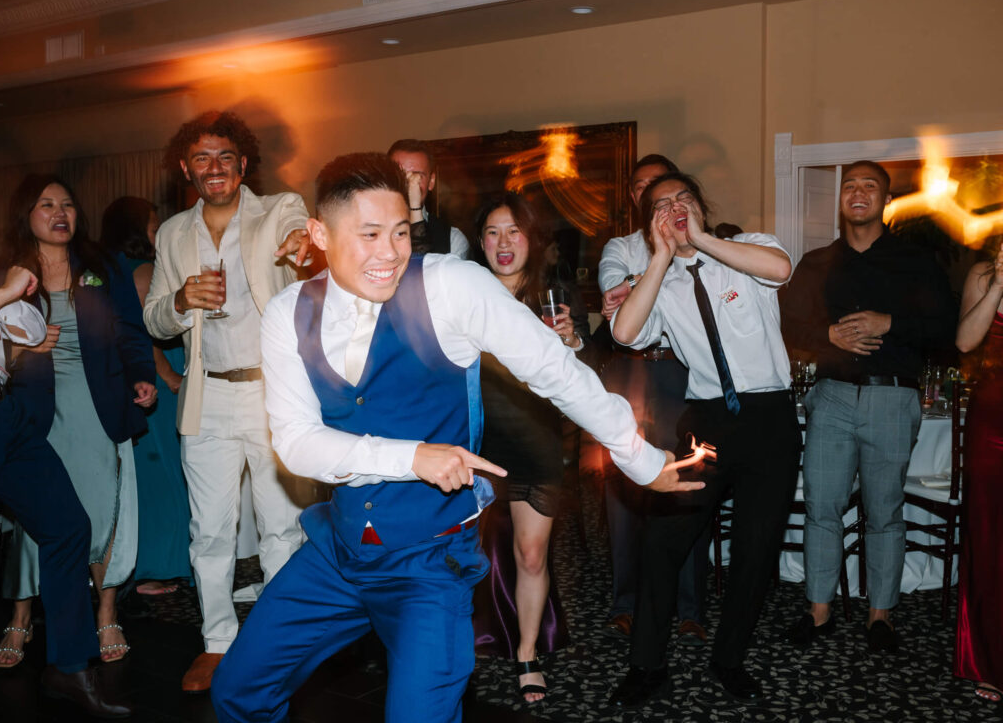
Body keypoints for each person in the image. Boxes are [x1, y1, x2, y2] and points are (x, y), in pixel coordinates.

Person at [209, 152, 707, 723]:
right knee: (237, 693)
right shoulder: (286, 313)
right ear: (319, 235)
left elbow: (556, 370)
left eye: (399, 232)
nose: (389, 253)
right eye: (368, 234)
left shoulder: (448, 285)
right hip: (339, 552)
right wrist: (413, 457)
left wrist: (641, 458)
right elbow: (297, 443)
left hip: (430, 561)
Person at [610, 170, 801, 706]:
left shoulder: (746, 248)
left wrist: (702, 239)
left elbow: (782, 268)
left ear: (699, 205)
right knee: (663, 542)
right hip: (708, 425)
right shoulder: (659, 282)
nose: (674, 207)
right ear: (649, 221)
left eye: (683, 198)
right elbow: (624, 333)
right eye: (661, 204)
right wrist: (659, 257)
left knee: (755, 550)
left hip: (769, 421)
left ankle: (729, 659)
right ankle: (647, 664)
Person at [144, 110, 311, 692]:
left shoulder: (277, 210)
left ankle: (279, 642)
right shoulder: (172, 234)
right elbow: (154, 318)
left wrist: (302, 245)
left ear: (242, 165)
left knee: (281, 529)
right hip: (207, 395)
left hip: (273, 394)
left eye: (224, 157)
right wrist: (182, 300)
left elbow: (304, 236)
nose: (213, 168)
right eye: (201, 158)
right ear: (185, 168)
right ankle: (217, 642)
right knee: (209, 531)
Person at [780, 160, 955, 653]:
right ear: (841, 200)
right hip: (831, 395)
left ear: (885, 199)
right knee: (821, 508)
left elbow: (945, 330)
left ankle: (881, 615)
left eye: (870, 186)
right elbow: (787, 328)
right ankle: (819, 611)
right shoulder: (816, 263)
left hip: (892, 397)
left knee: (884, 511)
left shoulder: (915, 261)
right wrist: (827, 335)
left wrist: (890, 322)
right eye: (850, 186)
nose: (858, 193)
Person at [0, 174, 156, 667]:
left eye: (67, 204)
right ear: (27, 214)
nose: (59, 212)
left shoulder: (101, 266)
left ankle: (106, 611)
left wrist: (142, 375)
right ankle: (21, 616)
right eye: (46, 204)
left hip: (98, 400)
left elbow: (130, 328)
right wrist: (20, 349)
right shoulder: (6, 274)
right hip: (34, 405)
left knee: (100, 506)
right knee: (35, 517)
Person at [0, 264, 133, 717]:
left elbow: (29, 328)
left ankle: (69, 666)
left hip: (1, 411)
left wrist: (4, 301)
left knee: (67, 526)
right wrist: (3, 295)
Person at [471, 191, 592, 704]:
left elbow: (586, 372)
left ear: (530, 239)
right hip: (475, 440)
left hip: (536, 440)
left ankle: (526, 653)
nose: (504, 242)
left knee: (531, 552)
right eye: (493, 232)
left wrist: (571, 343)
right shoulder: (467, 294)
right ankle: (456, 647)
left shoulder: (555, 294)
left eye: (514, 231)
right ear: (480, 243)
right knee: (462, 555)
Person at [597, 154, 709, 646]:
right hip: (633, 377)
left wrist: (642, 284)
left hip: (686, 377)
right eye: (642, 189)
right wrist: (655, 275)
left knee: (689, 485)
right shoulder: (619, 246)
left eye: (662, 190)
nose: (651, 197)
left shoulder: (696, 242)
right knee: (625, 493)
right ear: (634, 199)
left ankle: (690, 609)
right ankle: (627, 604)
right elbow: (618, 308)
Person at [101, 196, 192, 596]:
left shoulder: (106, 268)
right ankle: (156, 568)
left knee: (144, 475)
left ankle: (142, 564)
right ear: (138, 230)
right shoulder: (143, 270)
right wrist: (170, 374)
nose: (160, 234)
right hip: (155, 375)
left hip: (129, 378)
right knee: (164, 474)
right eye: (155, 226)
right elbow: (145, 333)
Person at [951, 245, 1003, 703]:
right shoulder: (985, 274)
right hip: (994, 422)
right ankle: (991, 661)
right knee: (990, 540)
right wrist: (1001, 284)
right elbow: (966, 342)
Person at [388, 138, 469, 257]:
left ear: (431, 182)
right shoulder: (365, 229)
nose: (407, 184)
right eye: (399, 176)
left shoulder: (452, 240)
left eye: (416, 176)